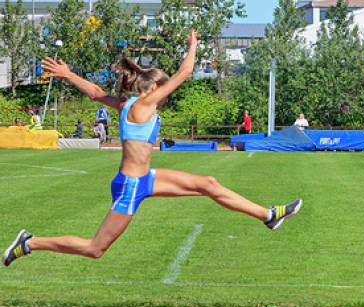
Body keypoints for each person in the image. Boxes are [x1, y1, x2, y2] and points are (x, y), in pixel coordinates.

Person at [3, 31, 303, 268]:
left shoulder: (128, 104)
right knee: (96, 249)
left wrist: (68, 75)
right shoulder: (144, 103)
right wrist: (195, 44)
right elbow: (185, 72)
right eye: (162, 92)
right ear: (152, 90)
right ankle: (29, 243)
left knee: (208, 184)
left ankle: (268, 215)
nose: (165, 98)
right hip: (131, 185)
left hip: (146, 178)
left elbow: (96, 93)